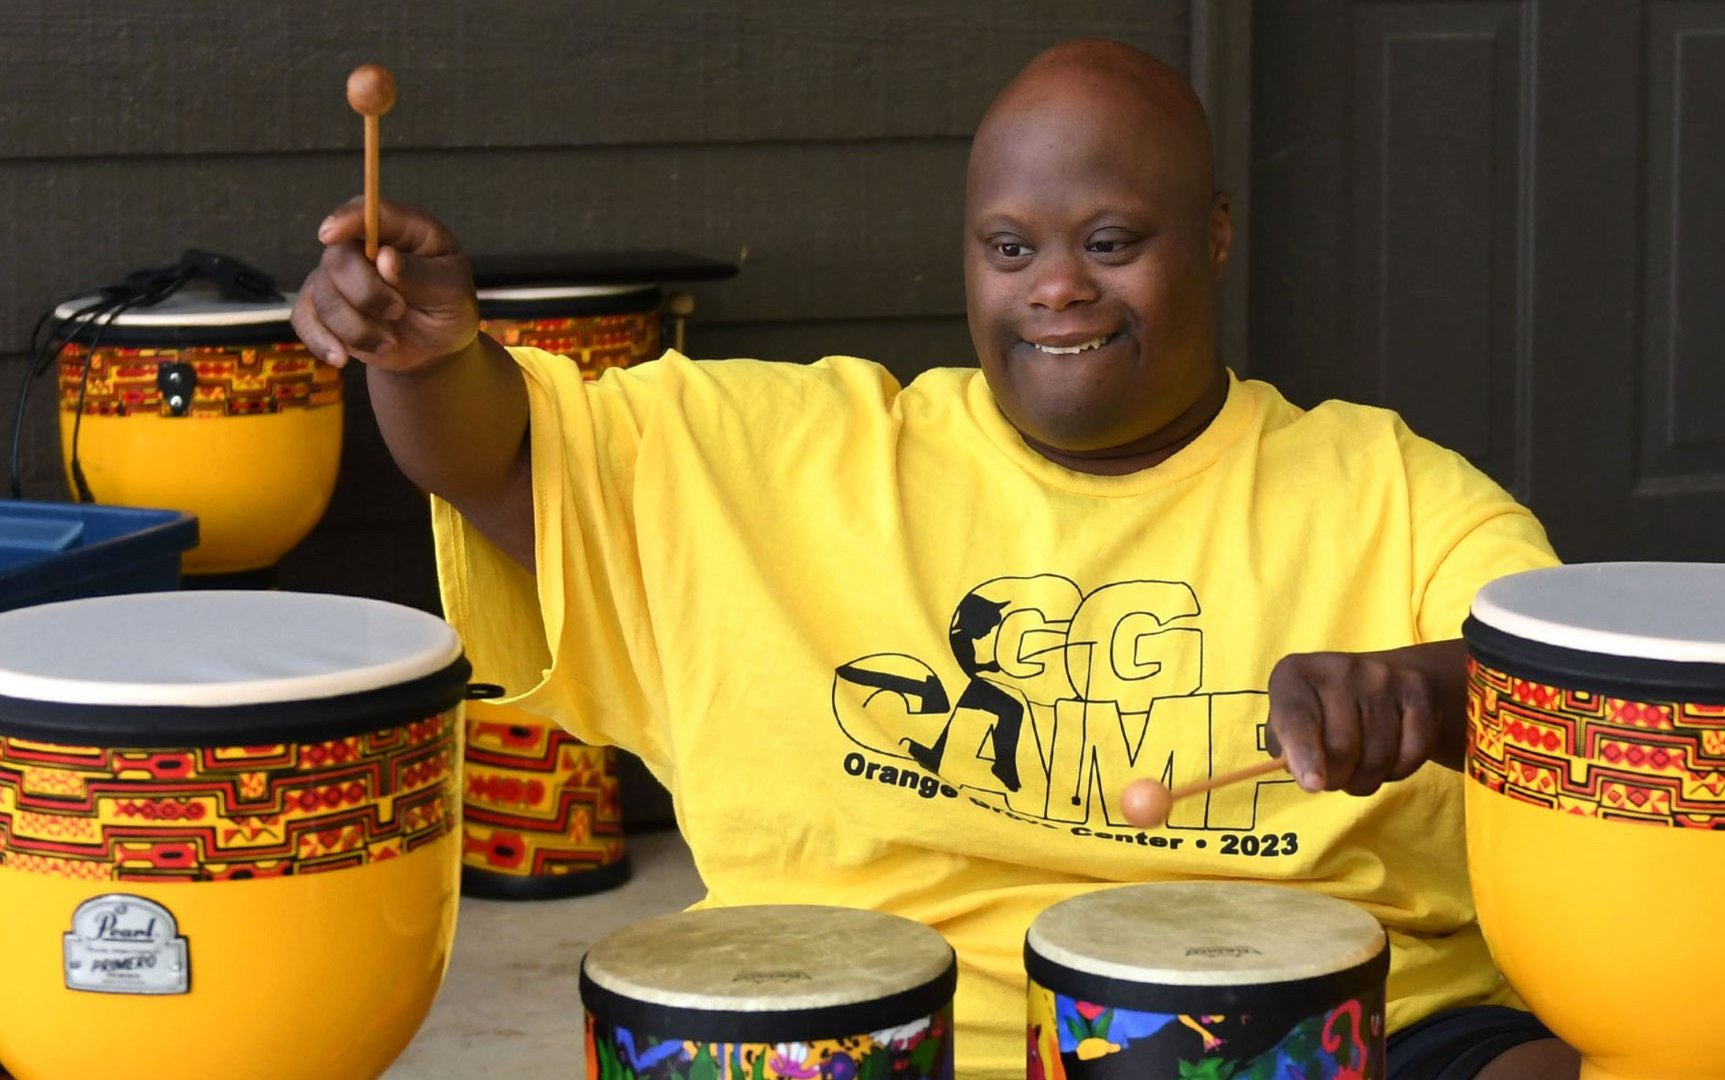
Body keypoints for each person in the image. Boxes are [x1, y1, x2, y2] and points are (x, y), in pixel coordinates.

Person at [294, 37, 1576, 1080]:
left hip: (1344, 1033)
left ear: (1217, 237)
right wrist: (428, 359)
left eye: (1112, 243)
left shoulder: (1395, 493)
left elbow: (1587, 706)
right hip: (870, 1040)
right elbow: (496, 461)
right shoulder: (795, 455)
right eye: (1010, 249)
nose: (1054, 289)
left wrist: (1435, 691)